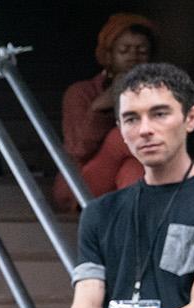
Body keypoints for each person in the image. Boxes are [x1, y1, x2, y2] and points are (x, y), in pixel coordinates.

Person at [63, 63, 194, 308]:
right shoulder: (100, 212)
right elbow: (87, 304)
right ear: (119, 128)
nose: (145, 129)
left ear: (191, 118)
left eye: (159, 114)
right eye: (131, 118)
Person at [54, 13, 156, 211]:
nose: (134, 56)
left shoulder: (159, 93)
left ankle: (131, 230)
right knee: (121, 136)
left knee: (133, 169)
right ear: (108, 55)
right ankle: (188, 170)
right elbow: (77, 149)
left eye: (142, 51)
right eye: (124, 50)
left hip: (125, 185)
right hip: (82, 185)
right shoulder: (81, 92)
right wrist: (100, 107)